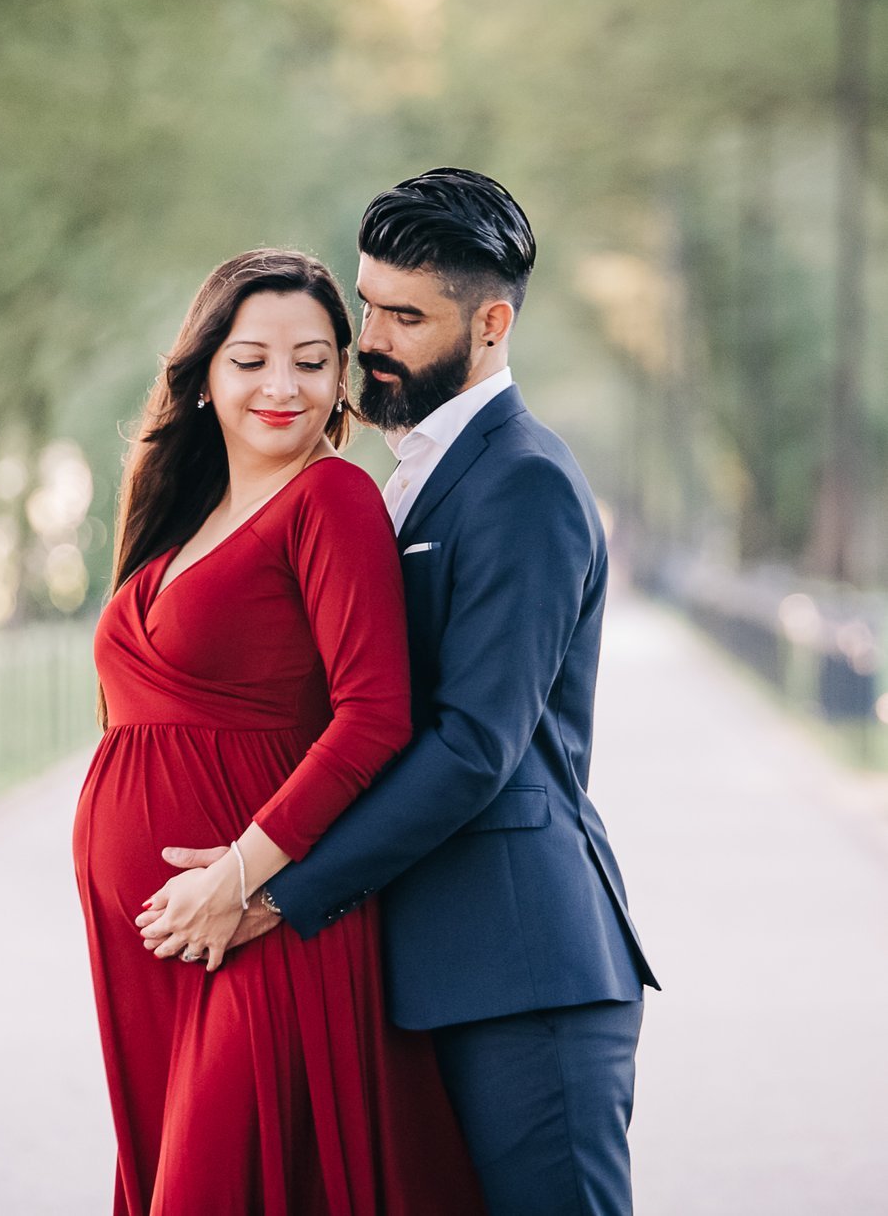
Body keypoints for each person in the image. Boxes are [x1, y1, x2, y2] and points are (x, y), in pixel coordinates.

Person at [142, 170, 658, 1215]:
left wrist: (270, 891)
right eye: (368, 303)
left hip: (525, 976)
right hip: (430, 968)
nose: (369, 336)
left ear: (491, 323)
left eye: (406, 316)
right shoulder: (410, 472)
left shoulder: (522, 481)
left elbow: (473, 745)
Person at [74, 246, 482, 1215]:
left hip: (255, 928)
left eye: (311, 359)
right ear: (205, 372)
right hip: (155, 948)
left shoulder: (330, 500)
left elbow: (375, 716)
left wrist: (242, 875)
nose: (281, 386)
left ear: (343, 376)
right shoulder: (181, 519)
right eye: (251, 359)